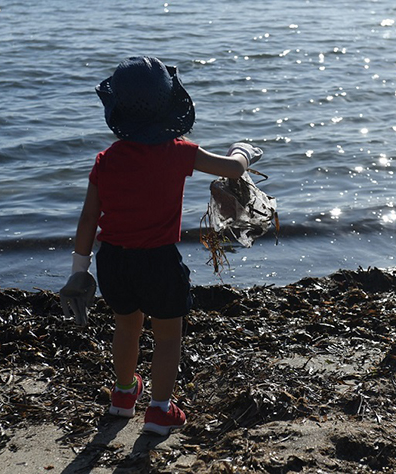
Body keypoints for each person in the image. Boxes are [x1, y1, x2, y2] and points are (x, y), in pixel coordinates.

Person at [60, 56, 262, 436]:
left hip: (113, 261)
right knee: (168, 336)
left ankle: (123, 396)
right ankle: (159, 410)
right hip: (159, 262)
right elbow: (232, 170)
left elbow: (88, 219)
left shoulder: (107, 160)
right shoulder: (178, 151)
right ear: (169, 105)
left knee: (126, 327)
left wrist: (78, 271)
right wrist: (244, 152)